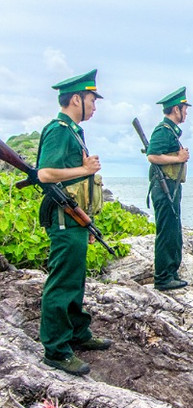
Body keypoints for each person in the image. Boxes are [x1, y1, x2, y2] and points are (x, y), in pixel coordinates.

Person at [37, 69, 112, 376]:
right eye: (92, 100)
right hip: (62, 218)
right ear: (76, 99)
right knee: (63, 282)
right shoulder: (58, 129)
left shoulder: (73, 131)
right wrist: (84, 170)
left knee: (76, 278)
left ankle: (77, 332)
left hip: (75, 217)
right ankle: (56, 349)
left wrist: (87, 220)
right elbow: (44, 174)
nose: (95, 107)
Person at [146, 87, 191, 291]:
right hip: (164, 187)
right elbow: (152, 155)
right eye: (184, 108)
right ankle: (163, 277)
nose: (186, 113)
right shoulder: (163, 130)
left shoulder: (171, 131)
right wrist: (178, 158)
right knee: (166, 232)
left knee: (173, 231)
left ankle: (171, 273)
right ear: (176, 109)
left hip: (171, 187)